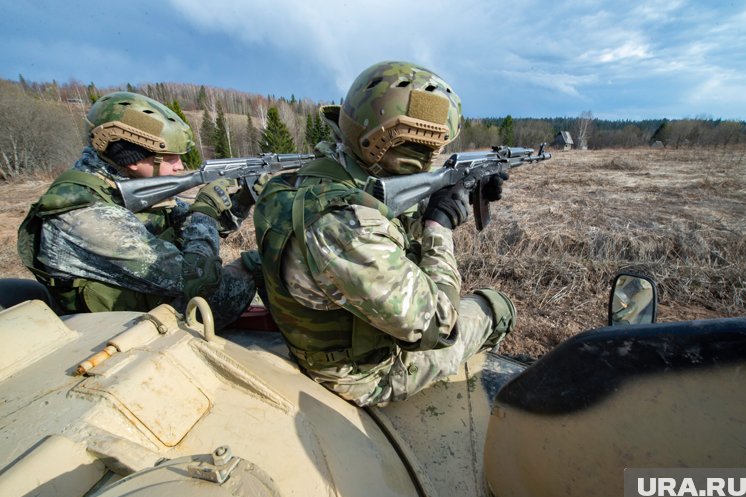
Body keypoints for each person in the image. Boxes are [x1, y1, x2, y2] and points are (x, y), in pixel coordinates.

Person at [252, 61, 516, 406]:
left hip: (320, 336)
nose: (430, 159)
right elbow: (439, 326)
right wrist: (439, 226)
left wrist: (459, 194)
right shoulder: (344, 225)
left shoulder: (300, 183)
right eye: (424, 150)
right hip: (364, 375)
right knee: (495, 306)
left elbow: (379, 216)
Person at [18, 91, 256, 327]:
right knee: (258, 266)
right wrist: (205, 210)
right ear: (133, 158)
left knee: (256, 263)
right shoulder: (84, 214)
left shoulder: (123, 185)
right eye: (170, 157)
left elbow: (193, 228)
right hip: (128, 329)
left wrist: (243, 199)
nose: (180, 166)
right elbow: (195, 279)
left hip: (151, 302)